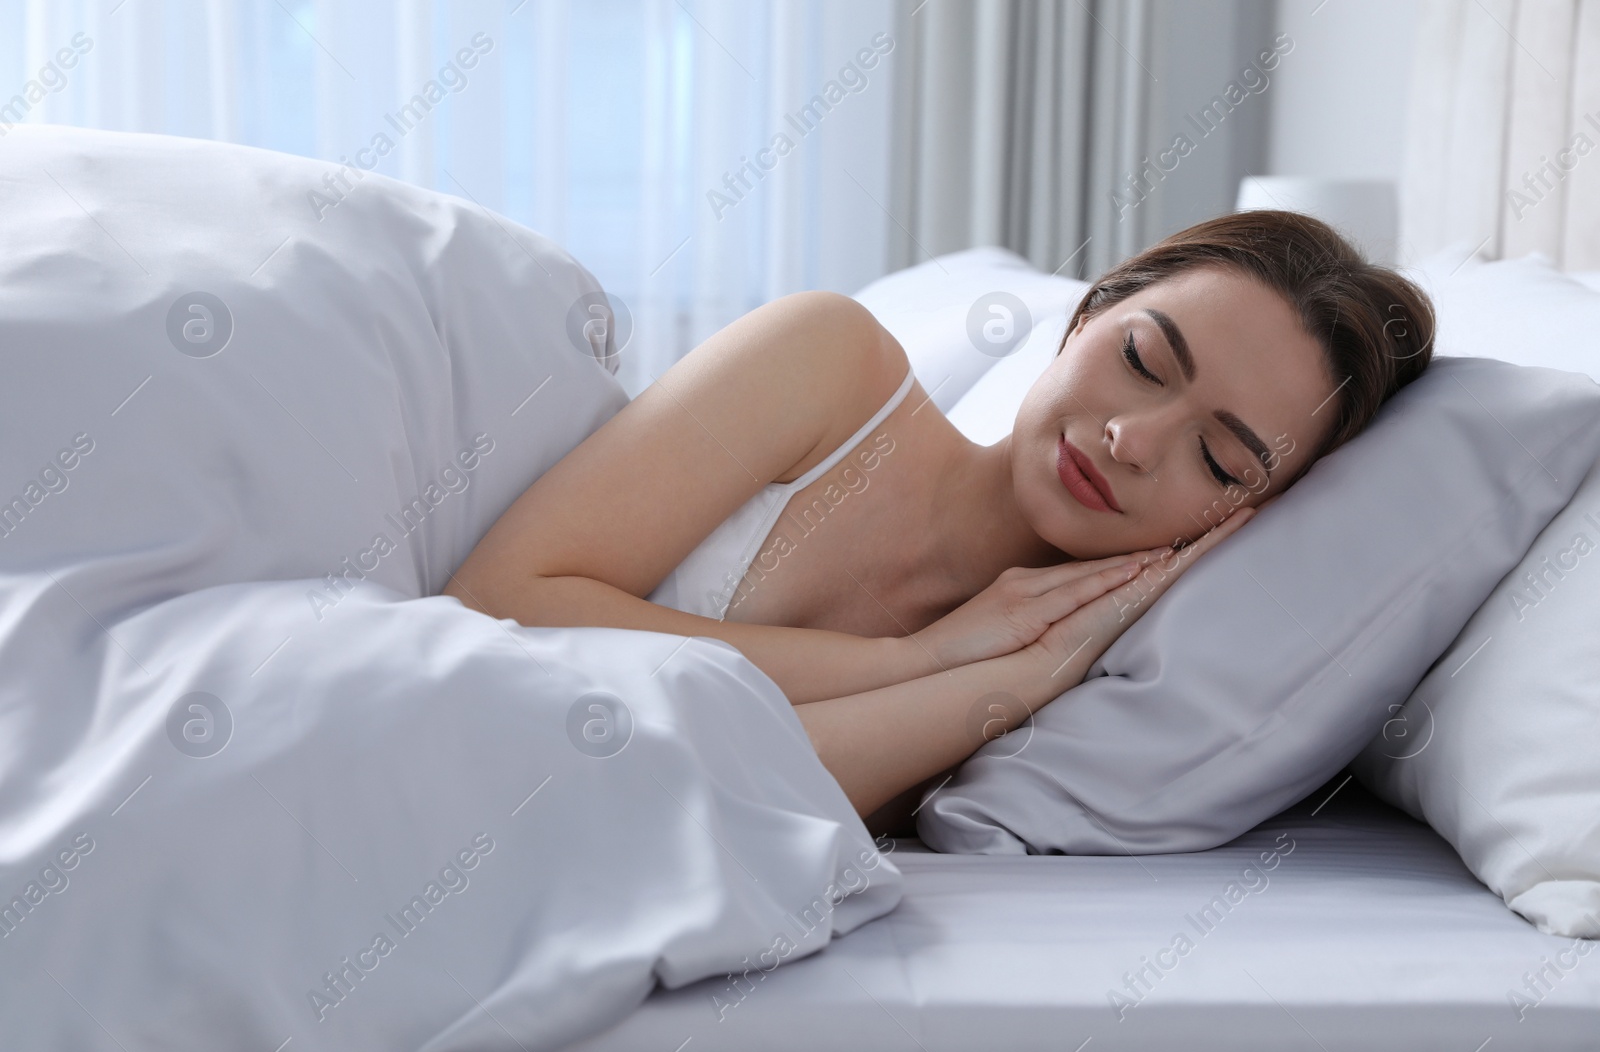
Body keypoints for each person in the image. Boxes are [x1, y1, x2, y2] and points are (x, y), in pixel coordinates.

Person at [443, 210, 1434, 830]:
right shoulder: (828, 365)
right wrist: (918, 659)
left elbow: (717, 790)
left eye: (1219, 458)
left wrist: (1020, 672)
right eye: (1140, 359)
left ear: (1243, 519)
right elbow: (500, 600)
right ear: (1086, 317)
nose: (1132, 437)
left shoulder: (1070, 701)